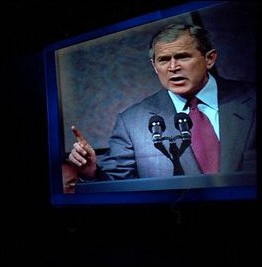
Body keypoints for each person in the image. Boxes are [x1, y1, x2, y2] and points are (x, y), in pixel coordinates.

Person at [67, 24, 257, 181]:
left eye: (183, 56)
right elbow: (116, 183)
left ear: (209, 58)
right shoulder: (132, 122)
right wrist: (92, 171)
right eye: (164, 60)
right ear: (154, 66)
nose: (173, 67)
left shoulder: (251, 99)